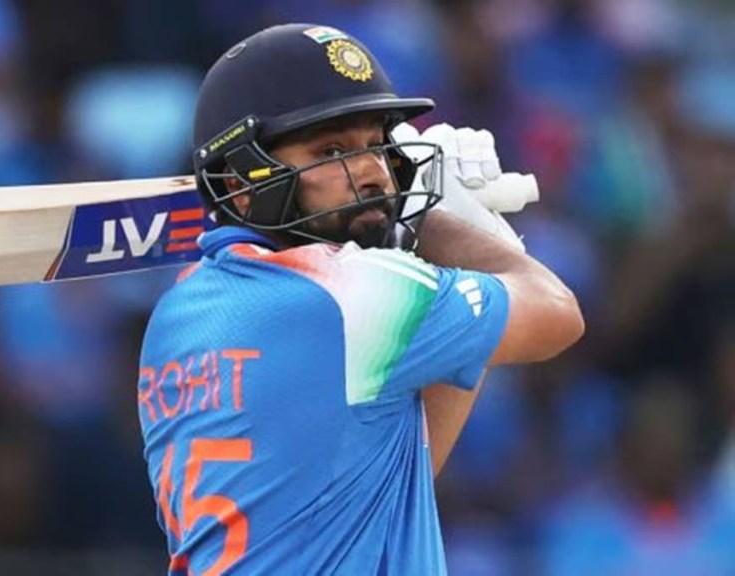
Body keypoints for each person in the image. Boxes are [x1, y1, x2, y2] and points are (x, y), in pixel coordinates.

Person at [136, 23, 584, 575]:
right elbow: (558, 312)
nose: (374, 173)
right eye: (332, 151)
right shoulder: (349, 295)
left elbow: (391, 478)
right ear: (240, 184)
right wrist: (443, 219)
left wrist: (432, 244)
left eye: (377, 145)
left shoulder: (178, 314)